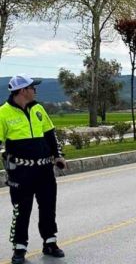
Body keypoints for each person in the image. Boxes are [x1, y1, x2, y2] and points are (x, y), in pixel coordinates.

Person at [0, 75, 66, 264]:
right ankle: (19, 248)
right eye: (32, 87)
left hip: (44, 170)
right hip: (20, 172)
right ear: (22, 91)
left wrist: (58, 156)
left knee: (47, 207)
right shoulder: (2, 113)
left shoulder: (38, 109)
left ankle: (50, 242)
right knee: (21, 209)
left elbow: (50, 135)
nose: (35, 90)